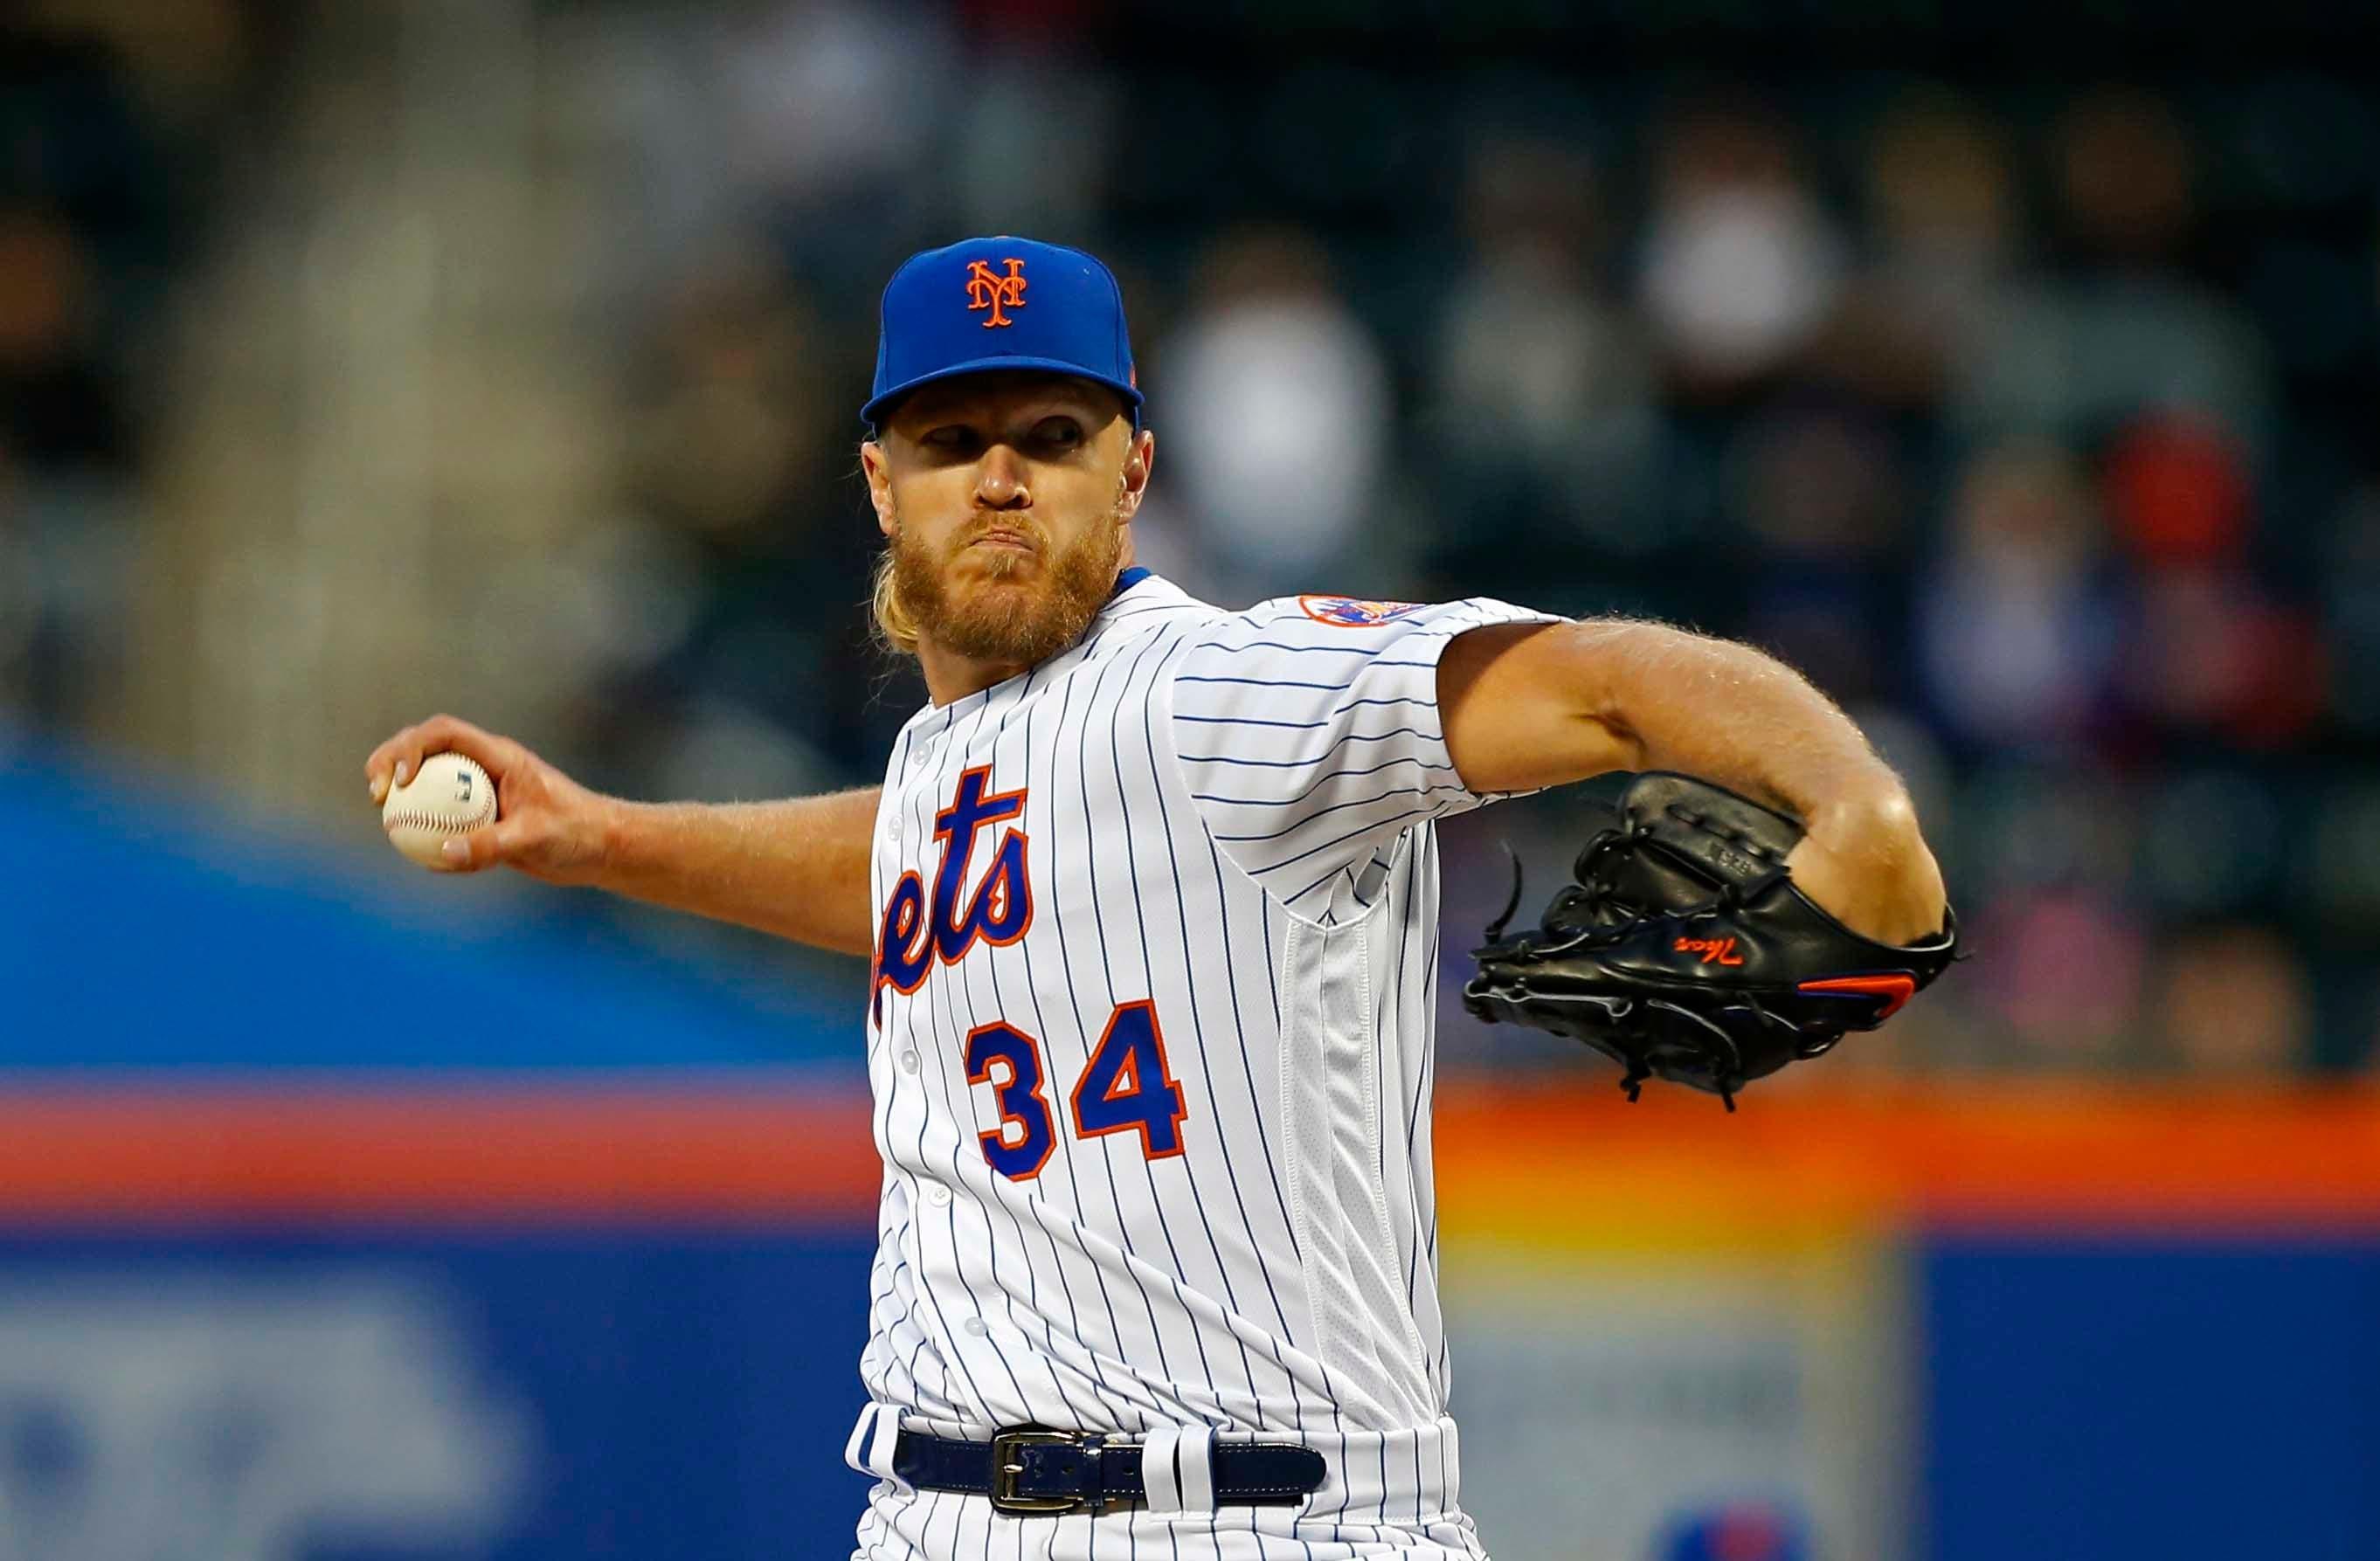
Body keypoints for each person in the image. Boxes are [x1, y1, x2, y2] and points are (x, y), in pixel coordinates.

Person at [364, 235, 1948, 1559]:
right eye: (948, 440)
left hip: (1259, 1519)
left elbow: (1604, 685)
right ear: (877, 481)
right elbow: (922, 861)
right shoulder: (948, 760)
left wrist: (1852, 799)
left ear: (1131, 473)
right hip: (931, 1514)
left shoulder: (1228, 693)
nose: (998, 479)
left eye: (1050, 439)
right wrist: (605, 840)